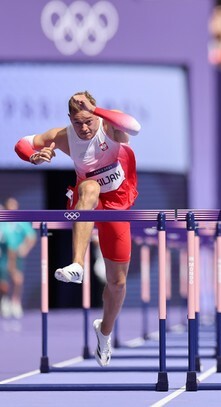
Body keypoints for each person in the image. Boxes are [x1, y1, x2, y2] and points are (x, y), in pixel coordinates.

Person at [14, 91, 141, 366]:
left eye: (88, 121)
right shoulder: (64, 136)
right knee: (90, 187)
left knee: (117, 284)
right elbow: (22, 144)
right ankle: (76, 265)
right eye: (77, 122)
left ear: (96, 115)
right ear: (69, 119)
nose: (83, 129)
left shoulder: (109, 126)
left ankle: (104, 331)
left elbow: (133, 126)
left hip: (118, 201)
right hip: (87, 196)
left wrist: (98, 110)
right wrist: (33, 157)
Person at [0, 197, 36, 318]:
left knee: (18, 279)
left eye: (14, 206)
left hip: (17, 256)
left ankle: (15, 302)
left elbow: (31, 236)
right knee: (3, 282)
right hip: (4, 255)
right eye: (10, 206)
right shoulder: (2, 222)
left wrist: (24, 248)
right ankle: (4, 301)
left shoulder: (22, 222)